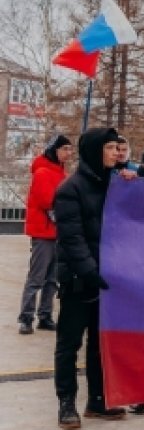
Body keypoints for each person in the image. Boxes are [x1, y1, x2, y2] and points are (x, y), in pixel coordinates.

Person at [53, 127, 126, 430]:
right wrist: (90, 272)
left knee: (99, 344)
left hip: (104, 279)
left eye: (117, 147)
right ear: (96, 151)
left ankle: (97, 399)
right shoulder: (70, 189)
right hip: (78, 280)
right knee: (69, 344)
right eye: (110, 147)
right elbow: (72, 238)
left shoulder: (117, 184)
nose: (116, 152)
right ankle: (66, 403)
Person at [20, 134, 71, 335]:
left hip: (56, 232)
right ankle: (26, 317)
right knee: (37, 277)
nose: (69, 153)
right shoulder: (43, 172)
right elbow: (48, 200)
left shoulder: (60, 173)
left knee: (52, 279)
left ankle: (45, 315)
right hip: (43, 232)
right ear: (55, 150)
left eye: (70, 149)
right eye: (65, 149)